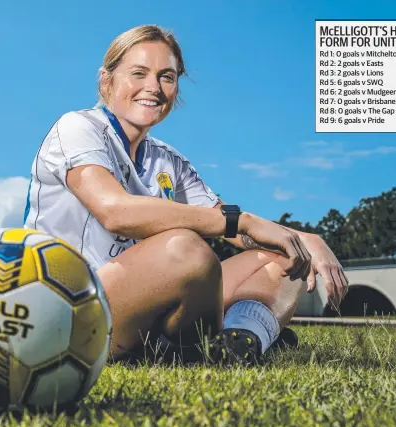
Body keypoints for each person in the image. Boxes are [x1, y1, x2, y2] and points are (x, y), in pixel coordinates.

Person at [23, 24, 349, 365]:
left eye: (167, 76)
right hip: (70, 308)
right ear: (107, 80)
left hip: (142, 302)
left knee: (285, 259)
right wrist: (243, 221)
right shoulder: (78, 127)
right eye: (138, 73)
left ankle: (241, 342)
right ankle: (193, 347)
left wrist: (305, 239)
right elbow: (114, 211)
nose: (153, 87)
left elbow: (234, 226)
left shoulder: (168, 159)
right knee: (185, 250)